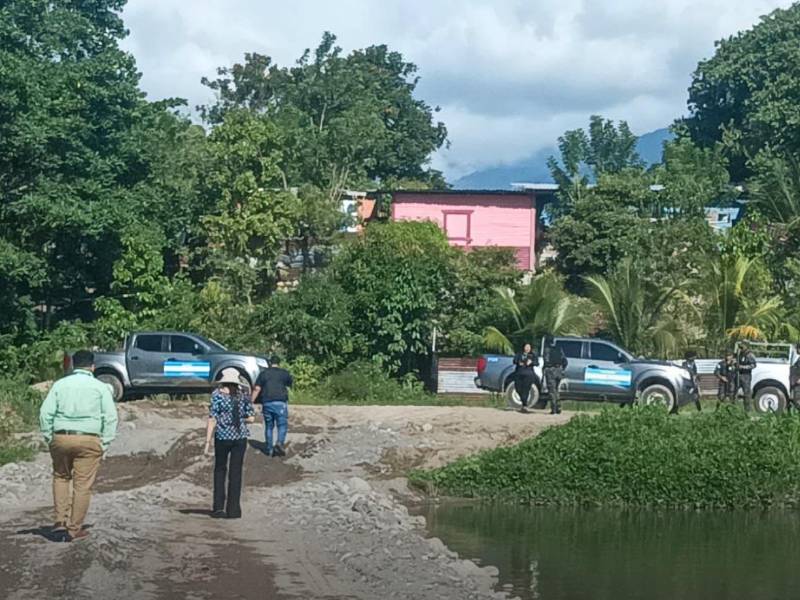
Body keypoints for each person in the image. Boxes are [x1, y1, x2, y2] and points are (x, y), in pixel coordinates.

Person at [38, 350, 118, 542]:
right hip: (89, 439)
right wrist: (104, 443)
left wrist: (50, 438)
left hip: (61, 437)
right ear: (92, 366)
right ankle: (74, 529)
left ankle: (59, 522)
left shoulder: (60, 385)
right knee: (82, 486)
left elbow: (45, 413)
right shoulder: (100, 387)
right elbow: (111, 417)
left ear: (73, 365)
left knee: (61, 477)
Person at [205, 368, 255, 519]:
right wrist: (239, 420)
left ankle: (218, 507)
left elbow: (212, 418)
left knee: (220, 470)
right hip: (240, 437)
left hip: (222, 436)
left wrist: (207, 441)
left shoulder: (217, 396)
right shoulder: (243, 396)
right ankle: (234, 510)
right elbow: (251, 418)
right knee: (236, 473)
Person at [251, 356, 293, 457]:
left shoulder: (263, 374)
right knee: (282, 425)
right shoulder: (284, 373)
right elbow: (289, 384)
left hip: (267, 403)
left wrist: (250, 401)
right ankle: (279, 443)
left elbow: (257, 389)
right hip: (280, 402)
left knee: (269, 426)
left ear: (269, 363)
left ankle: (269, 450)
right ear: (279, 363)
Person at [542, 338, 567, 415]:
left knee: (552, 390)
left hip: (551, 370)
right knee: (556, 389)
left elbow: (546, 360)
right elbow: (565, 361)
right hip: (559, 370)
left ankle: (554, 409)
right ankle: (558, 407)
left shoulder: (547, 350)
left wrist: (545, 369)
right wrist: (562, 369)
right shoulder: (559, 349)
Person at [513, 343, 537, 414]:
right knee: (518, 388)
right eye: (526, 347)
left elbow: (537, 363)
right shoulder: (519, 354)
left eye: (529, 347)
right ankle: (523, 401)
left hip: (529, 374)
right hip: (519, 373)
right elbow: (514, 361)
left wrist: (531, 362)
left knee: (526, 389)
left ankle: (524, 405)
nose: (527, 348)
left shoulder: (533, 355)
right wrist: (519, 362)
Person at [735, 341, 757, 412]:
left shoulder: (749, 355)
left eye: (742, 346)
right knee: (734, 391)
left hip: (746, 376)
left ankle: (747, 409)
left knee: (747, 393)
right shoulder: (739, 353)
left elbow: (753, 365)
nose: (741, 347)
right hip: (738, 374)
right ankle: (734, 408)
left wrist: (743, 367)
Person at [789, 344, 800, 413]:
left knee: (797, 399)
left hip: (798, 382)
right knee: (793, 398)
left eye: (797, 349)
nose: (796, 350)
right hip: (794, 381)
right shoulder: (798, 358)